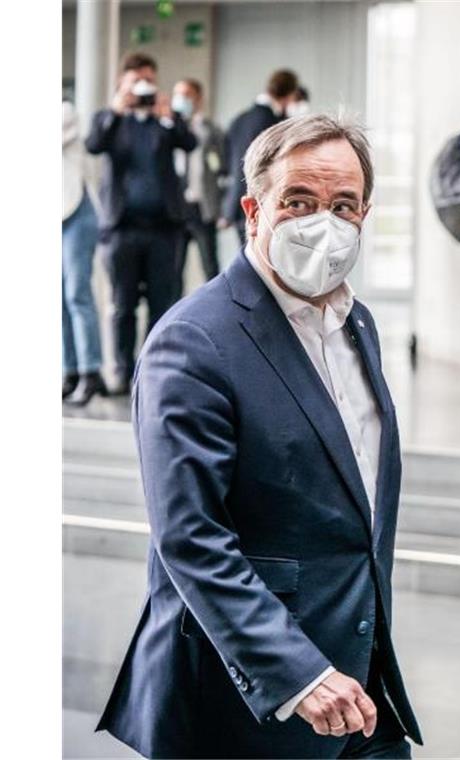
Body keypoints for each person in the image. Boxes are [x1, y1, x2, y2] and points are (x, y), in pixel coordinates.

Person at [96, 114, 421, 759]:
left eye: (343, 205)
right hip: (248, 703)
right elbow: (190, 538)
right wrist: (298, 674)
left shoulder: (360, 327)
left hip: (362, 687)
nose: (321, 220)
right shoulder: (195, 341)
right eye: (298, 200)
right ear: (253, 210)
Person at [85, 52, 197, 395]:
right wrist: (119, 109)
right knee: (123, 305)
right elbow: (94, 144)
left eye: (149, 79)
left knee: (164, 303)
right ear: (124, 82)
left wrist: (167, 117)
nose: (144, 87)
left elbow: (189, 142)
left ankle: (156, 369)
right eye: (137, 81)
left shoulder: (164, 120)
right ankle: (121, 369)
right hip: (122, 229)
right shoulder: (111, 119)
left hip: (165, 229)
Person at [221, 68, 300, 247]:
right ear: (288, 95)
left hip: (239, 202)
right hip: (265, 202)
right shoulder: (274, 123)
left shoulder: (239, 120)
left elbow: (227, 162)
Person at [62, 100, 106, 406]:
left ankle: (90, 371)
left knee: (78, 292)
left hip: (78, 212)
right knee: (60, 298)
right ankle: (70, 371)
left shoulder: (63, 110)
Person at [171, 78, 226, 295]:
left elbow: (220, 165)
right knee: (173, 270)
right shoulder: (169, 128)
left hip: (201, 207)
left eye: (186, 95)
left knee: (210, 265)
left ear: (198, 98)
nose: (181, 100)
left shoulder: (210, 129)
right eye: (178, 94)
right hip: (176, 208)